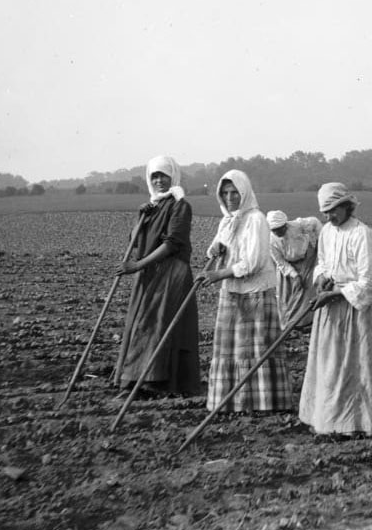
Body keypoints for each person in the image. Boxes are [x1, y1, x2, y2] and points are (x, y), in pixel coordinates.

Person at [298, 182, 372, 436]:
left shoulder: (362, 233)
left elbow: (368, 282)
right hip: (331, 310)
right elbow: (322, 263)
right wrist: (321, 279)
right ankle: (332, 418)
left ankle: (360, 421)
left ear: (347, 206)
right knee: (332, 366)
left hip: (356, 310)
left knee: (359, 366)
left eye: (333, 210)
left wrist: (336, 293)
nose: (329, 217)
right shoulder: (326, 232)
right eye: (325, 212)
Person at [199, 170, 294, 413]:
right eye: (225, 193)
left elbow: (253, 263)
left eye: (235, 192)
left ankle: (262, 403)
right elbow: (217, 247)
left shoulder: (256, 219)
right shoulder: (227, 220)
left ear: (245, 193)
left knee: (256, 348)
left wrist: (219, 274)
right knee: (231, 348)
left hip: (256, 291)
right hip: (232, 290)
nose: (230, 197)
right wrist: (215, 249)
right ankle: (233, 401)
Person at [113, 155, 201, 397]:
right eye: (154, 176)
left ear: (173, 176)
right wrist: (139, 219)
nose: (159, 181)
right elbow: (134, 241)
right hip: (149, 273)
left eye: (164, 175)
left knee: (157, 325)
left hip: (171, 272)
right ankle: (138, 379)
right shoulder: (151, 208)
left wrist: (137, 265)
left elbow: (172, 243)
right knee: (143, 324)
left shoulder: (180, 206)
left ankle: (152, 382)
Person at [266, 210, 322, 330]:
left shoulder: (299, 225)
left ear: (285, 225)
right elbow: (280, 262)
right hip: (287, 266)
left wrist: (320, 242)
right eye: (274, 230)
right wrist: (295, 275)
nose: (277, 232)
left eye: (280, 229)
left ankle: (304, 323)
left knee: (306, 291)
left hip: (306, 260)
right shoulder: (270, 241)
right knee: (286, 296)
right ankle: (289, 323)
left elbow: (316, 222)